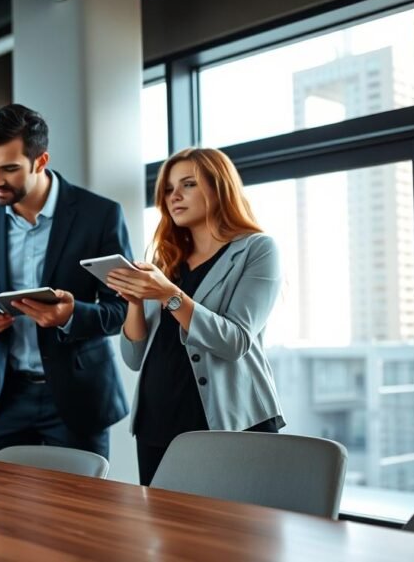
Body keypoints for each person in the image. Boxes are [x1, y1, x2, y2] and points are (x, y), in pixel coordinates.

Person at [0, 104, 132, 459]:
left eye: (9, 168)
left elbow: (123, 309)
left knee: (80, 510)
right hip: (2, 394)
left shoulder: (100, 215)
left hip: (78, 396)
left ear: (40, 161)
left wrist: (70, 316)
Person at [106, 147, 285, 486]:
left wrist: (169, 295)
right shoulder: (166, 262)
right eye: (169, 190)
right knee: (165, 535)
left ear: (219, 188)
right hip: (156, 423)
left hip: (228, 425)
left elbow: (235, 342)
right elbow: (133, 358)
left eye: (187, 185)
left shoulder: (257, 249)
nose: (174, 196)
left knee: (232, 535)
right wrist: (133, 301)